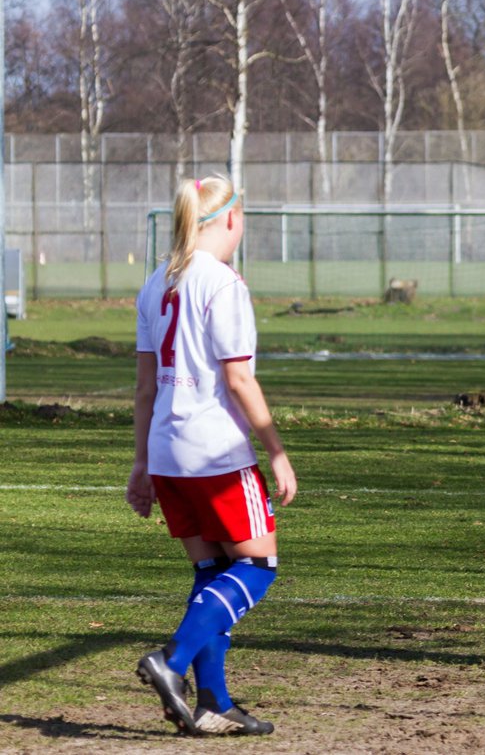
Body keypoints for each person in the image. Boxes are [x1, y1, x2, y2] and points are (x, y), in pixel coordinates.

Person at [127, 174, 297, 736]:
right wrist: (276, 452)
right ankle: (171, 663)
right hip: (217, 454)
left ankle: (213, 703)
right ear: (230, 219)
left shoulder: (157, 282)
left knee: (212, 571)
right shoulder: (222, 283)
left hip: (167, 453)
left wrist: (139, 464)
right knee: (257, 567)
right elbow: (240, 379)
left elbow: (146, 387)